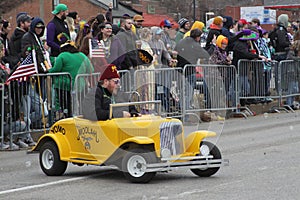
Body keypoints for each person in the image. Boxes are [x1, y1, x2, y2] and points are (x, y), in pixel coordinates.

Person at [48, 40, 94, 118]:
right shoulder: (82, 55)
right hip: (80, 85)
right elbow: (91, 69)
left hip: (64, 86)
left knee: (66, 106)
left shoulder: (62, 55)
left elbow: (56, 69)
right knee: (81, 105)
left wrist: (47, 71)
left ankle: (68, 118)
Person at [175, 28, 210, 109]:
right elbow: (206, 55)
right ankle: (185, 114)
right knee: (188, 93)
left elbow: (175, 51)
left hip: (180, 71)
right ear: (197, 37)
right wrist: (213, 45)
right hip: (190, 71)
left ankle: (181, 111)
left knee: (181, 93)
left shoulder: (181, 41)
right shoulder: (195, 45)